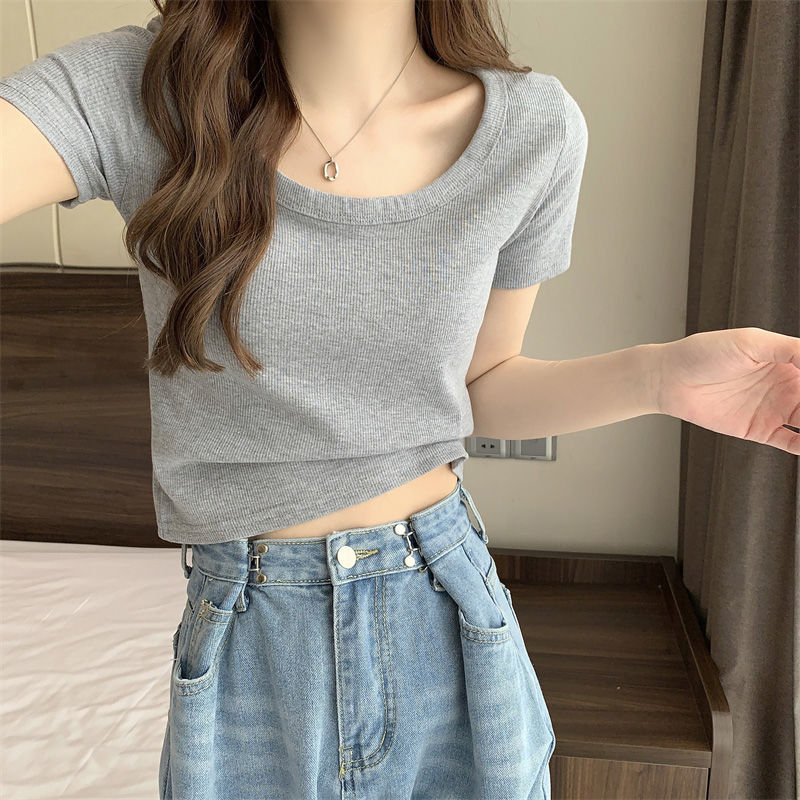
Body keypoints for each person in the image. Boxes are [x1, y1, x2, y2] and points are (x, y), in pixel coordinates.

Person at [1, 1, 798, 798]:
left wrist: (660, 378)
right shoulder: (142, 93)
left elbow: (483, 384)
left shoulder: (532, 130)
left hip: (445, 609)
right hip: (250, 638)